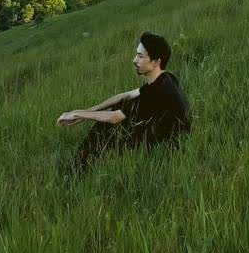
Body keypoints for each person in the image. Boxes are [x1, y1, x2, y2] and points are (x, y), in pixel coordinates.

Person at [57, 32, 191, 172]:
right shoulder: (165, 78)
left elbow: (115, 117)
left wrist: (77, 115)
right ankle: (83, 166)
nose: (134, 60)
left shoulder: (158, 90)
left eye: (140, 56)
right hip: (161, 131)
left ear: (156, 62)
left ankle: (75, 172)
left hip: (169, 144)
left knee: (106, 126)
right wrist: (91, 110)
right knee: (119, 108)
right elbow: (127, 95)